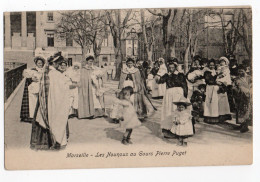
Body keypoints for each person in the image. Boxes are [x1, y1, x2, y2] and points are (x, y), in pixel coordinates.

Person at [31, 52, 74, 150]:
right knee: (56, 118)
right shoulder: (55, 74)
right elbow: (62, 88)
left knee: (43, 116)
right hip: (53, 101)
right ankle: (56, 141)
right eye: (59, 63)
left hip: (44, 101)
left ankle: (42, 142)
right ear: (55, 64)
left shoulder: (46, 72)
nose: (60, 65)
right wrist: (71, 87)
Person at [155, 59, 188, 137]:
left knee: (176, 110)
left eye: (172, 67)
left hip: (178, 93)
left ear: (175, 67)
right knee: (168, 110)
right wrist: (158, 76)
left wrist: (185, 96)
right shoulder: (167, 75)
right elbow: (160, 81)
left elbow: (184, 85)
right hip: (169, 95)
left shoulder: (180, 75)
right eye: (169, 67)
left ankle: (179, 130)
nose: (171, 69)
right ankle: (169, 129)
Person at [20, 56, 45, 123]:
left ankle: (38, 117)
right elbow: (27, 78)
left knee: (39, 103)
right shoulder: (32, 70)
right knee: (32, 103)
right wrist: (31, 79)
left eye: (41, 63)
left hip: (41, 88)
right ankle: (31, 117)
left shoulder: (44, 71)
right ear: (36, 63)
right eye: (38, 63)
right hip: (33, 88)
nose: (40, 64)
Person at [233, 65, 252, 133]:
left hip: (247, 96)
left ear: (245, 70)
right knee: (239, 110)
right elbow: (234, 86)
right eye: (239, 71)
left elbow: (252, 86)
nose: (240, 72)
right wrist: (235, 89)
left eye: (242, 71)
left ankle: (245, 126)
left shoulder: (249, 78)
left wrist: (248, 91)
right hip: (239, 96)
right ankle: (241, 124)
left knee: (246, 109)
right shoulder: (237, 78)